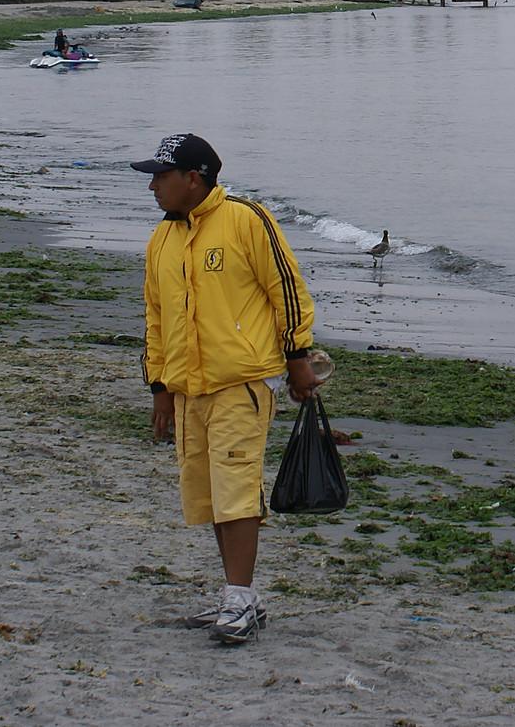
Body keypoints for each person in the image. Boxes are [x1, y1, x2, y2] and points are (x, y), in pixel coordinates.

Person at [133, 133, 318, 645]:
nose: (153, 186)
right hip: (189, 388)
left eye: (161, 176)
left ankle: (240, 597)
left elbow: (287, 288)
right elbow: (155, 316)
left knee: (236, 491)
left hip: (242, 382)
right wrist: (160, 386)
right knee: (212, 494)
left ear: (194, 178)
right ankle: (239, 596)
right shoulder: (162, 239)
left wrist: (297, 356)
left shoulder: (245, 220)